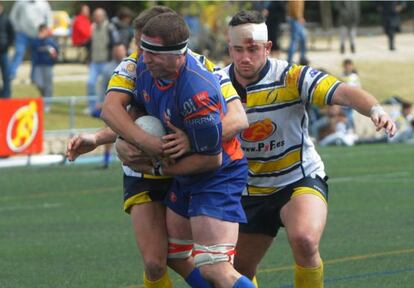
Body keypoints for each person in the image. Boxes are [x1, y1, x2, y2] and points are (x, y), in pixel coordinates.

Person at [66, 6, 249, 288]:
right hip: (162, 170)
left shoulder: (201, 76)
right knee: (161, 260)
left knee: (215, 264)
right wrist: (121, 141)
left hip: (195, 167)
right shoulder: (135, 65)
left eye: (147, 47)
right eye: (139, 46)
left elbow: (237, 118)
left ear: (170, 46)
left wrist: (185, 141)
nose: (140, 55)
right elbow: (115, 112)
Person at [221, 10, 396, 287]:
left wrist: (375, 109)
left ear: (267, 47)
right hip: (248, 188)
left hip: (297, 179)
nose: (244, 57)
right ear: (229, 48)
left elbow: (343, 92)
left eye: (253, 49)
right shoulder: (216, 84)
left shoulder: (291, 77)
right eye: (238, 49)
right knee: (239, 270)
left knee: (304, 239)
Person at [9, 0, 52, 80]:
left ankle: (34, 76)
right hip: (22, 33)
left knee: (36, 55)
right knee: (19, 52)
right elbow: (13, 17)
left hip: (38, 34)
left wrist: (46, 30)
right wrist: (17, 28)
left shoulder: (43, 3)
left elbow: (49, 17)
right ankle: (11, 74)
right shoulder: (20, 2)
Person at [86, 8, 116, 114]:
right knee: (90, 83)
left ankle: (104, 107)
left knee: (104, 86)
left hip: (106, 62)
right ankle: (91, 107)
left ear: (104, 16)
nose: (97, 18)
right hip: (94, 62)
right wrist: (88, 59)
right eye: (95, 16)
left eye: (99, 16)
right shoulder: (92, 27)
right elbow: (90, 45)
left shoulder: (109, 28)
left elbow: (114, 44)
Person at [31, 24, 59, 113]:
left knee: (48, 85)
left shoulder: (50, 41)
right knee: (39, 83)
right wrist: (40, 39)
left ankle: (47, 104)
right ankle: (44, 97)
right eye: (44, 30)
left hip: (48, 65)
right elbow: (33, 48)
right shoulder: (35, 41)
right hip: (38, 65)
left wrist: (54, 55)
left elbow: (56, 50)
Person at [286, 0, 308, 65]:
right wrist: (299, 18)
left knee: (303, 38)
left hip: (296, 19)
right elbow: (294, 8)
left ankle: (302, 58)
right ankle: (289, 60)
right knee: (294, 40)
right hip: (295, 19)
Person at [0, 1, 14, 98]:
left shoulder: (6, 19)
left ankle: (6, 95)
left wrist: (8, 45)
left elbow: (12, 34)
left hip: (3, 51)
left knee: (6, 75)